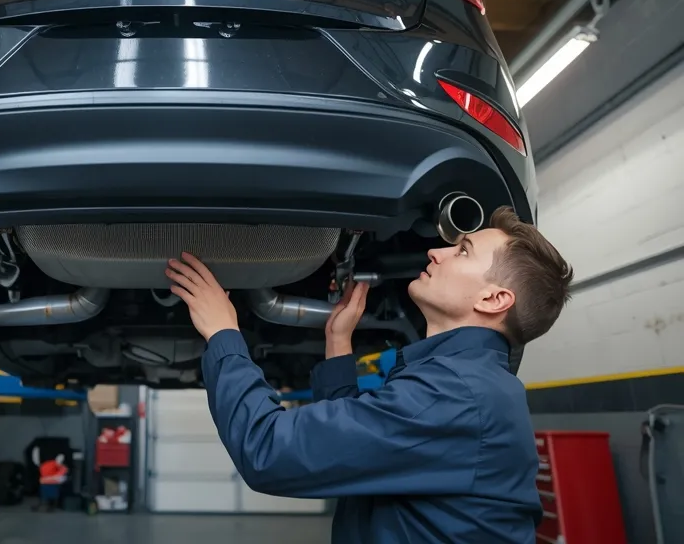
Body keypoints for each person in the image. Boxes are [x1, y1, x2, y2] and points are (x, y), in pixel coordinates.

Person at [164, 206, 573, 544]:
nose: (436, 252)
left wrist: (223, 333)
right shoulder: (464, 384)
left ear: (494, 298)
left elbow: (269, 451)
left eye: (462, 251)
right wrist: (338, 341)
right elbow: (358, 448)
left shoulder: (454, 393)